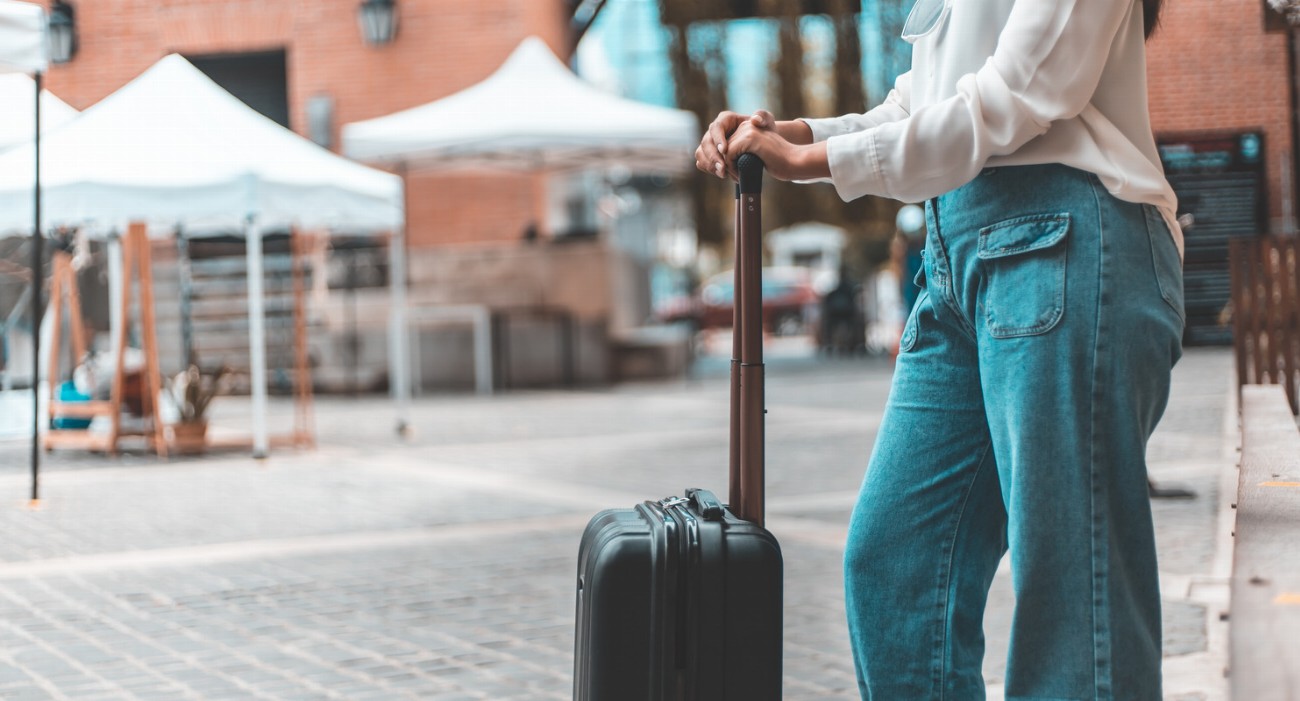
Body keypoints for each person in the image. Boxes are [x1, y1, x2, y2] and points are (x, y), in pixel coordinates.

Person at [696, 0, 1183, 698]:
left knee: (1072, 587)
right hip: (957, 252)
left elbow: (1024, 86)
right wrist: (790, 136)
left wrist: (820, 156)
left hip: (1065, 238)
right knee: (896, 564)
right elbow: (929, 97)